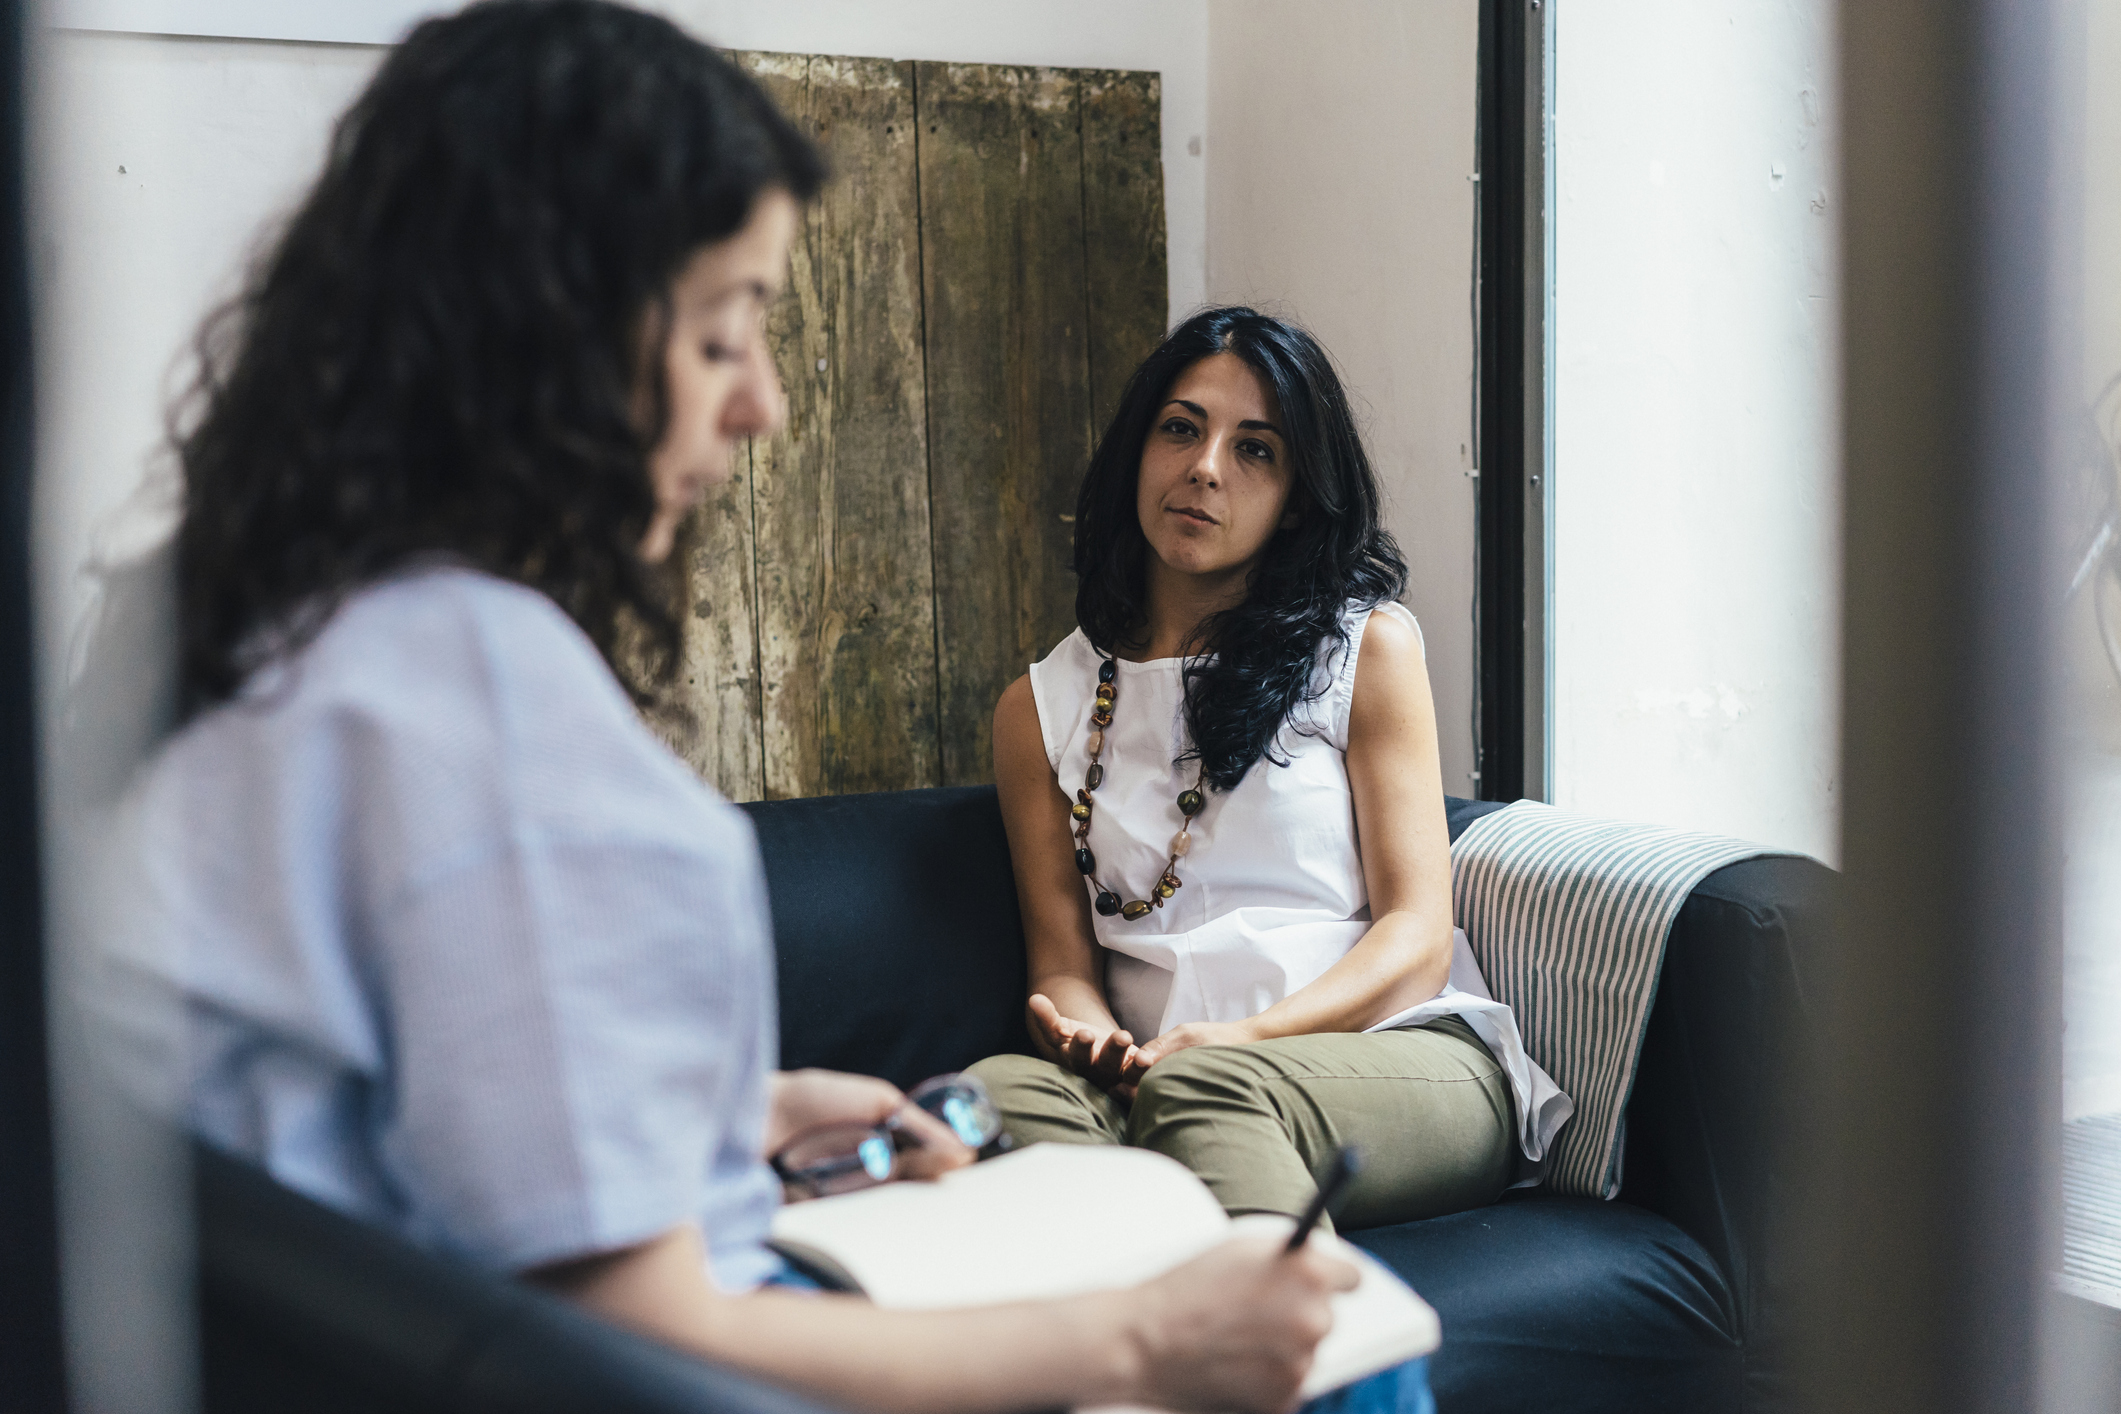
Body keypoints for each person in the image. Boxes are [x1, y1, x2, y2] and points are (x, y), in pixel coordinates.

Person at [106, 5, 1380, 1411]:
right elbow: (633, 1337)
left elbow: (374, 1112)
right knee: (1345, 1359)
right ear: (540, 343)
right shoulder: (489, 711)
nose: (766, 403)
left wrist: (741, 1113)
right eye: (724, 337)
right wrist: (1148, 1340)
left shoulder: (242, 629)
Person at [967, 308, 1571, 1233]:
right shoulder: (1039, 708)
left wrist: (1237, 1042)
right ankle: (1153, 1339)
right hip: (1159, 1075)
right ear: (1138, 449)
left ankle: (1328, 1364)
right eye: (1180, 428)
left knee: (1206, 1094)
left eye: (1255, 450)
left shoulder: (1364, 650)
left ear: (1294, 495)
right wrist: (1093, 1036)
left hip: (1390, 1054)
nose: (1205, 467)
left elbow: (1415, 935)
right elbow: (1063, 964)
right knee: (997, 1095)